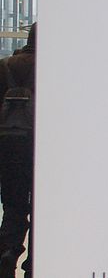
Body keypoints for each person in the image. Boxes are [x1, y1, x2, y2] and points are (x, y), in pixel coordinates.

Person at [0, 23, 36, 278]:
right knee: (42, 207)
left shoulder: (4, 66)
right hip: (42, 147)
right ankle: (34, 264)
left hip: (9, 145)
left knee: (13, 205)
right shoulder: (53, 68)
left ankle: (7, 253)